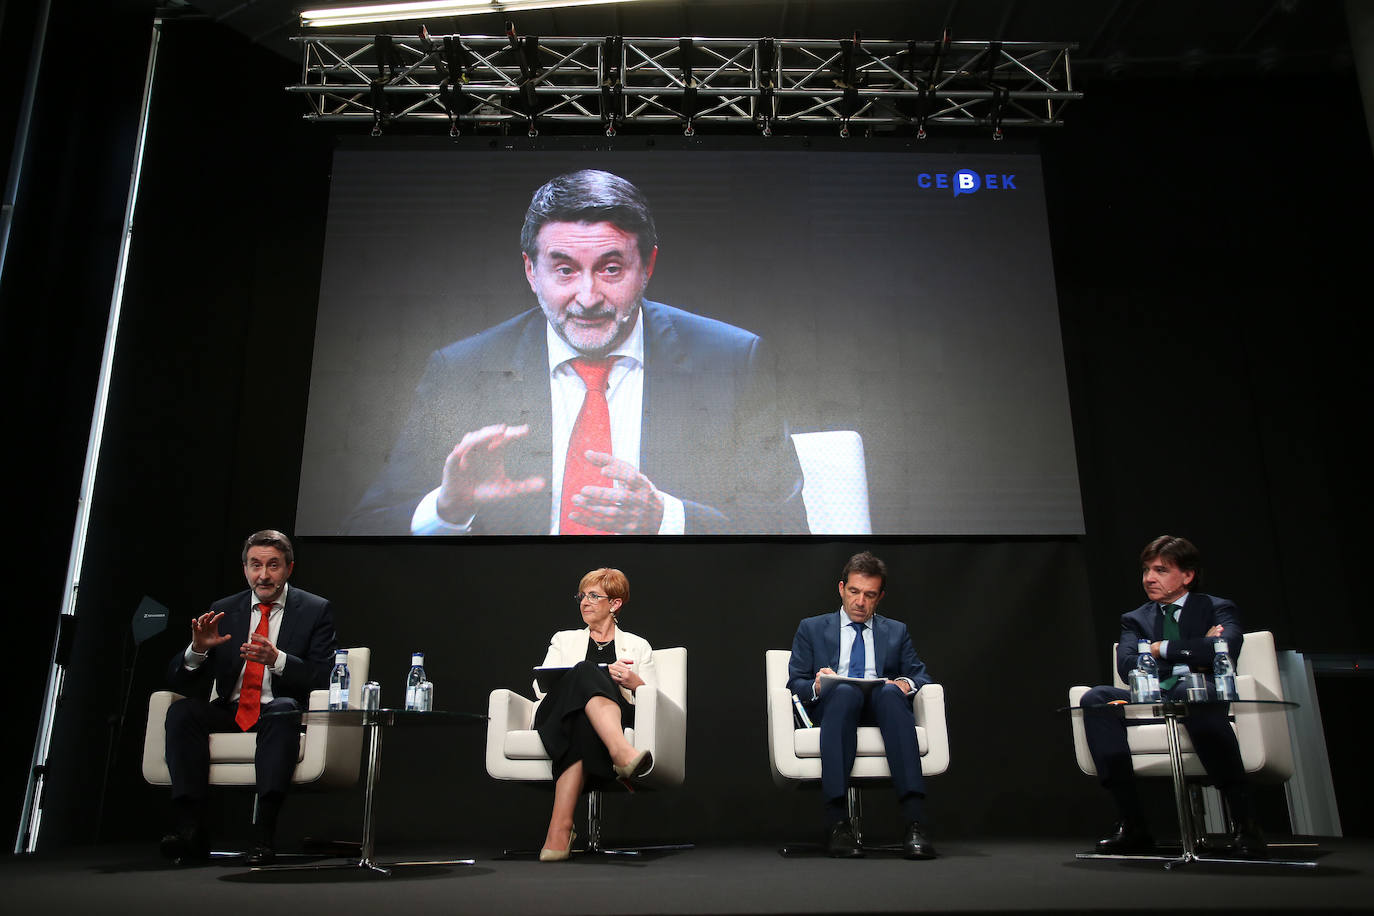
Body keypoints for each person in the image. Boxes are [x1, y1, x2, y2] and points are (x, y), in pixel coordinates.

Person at [344, 168, 805, 536]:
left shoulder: (734, 362)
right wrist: (449, 506)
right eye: (564, 270)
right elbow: (366, 527)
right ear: (531, 270)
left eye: (610, 268)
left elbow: (786, 526)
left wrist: (664, 518)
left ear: (647, 266)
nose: (587, 296)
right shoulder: (461, 370)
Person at [159, 530, 338, 866]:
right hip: (233, 708)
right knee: (182, 712)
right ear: (245, 568)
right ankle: (190, 830)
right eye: (256, 565)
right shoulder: (224, 610)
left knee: (282, 711)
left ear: (289, 568)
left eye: (273, 565)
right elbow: (178, 679)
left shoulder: (315, 610)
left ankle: (263, 834)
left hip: (280, 709)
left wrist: (278, 660)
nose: (264, 575)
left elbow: (324, 676)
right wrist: (197, 651)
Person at [1080, 534, 1266, 858]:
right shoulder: (1135, 619)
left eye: (1160, 570)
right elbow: (1126, 666)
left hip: (1199, 692)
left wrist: (1159, 648)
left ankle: (1245, 822)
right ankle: (1132, 823)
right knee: (1096, 699)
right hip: (1150, 695)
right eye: (1146, 570)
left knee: (1189, 691)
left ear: (1188, 575)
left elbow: (1225, 650)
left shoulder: (1216, 608)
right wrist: (1196, 648)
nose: (1149, 578)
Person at [787, 551, 936, 859]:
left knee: (891, 693)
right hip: (836, 706)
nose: (860, 602)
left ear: (880, 597)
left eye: (869, 595)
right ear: (841, 588)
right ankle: (838, 825)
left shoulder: (896, 631)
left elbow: (919, 673)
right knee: (844, 692)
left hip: (881, 707)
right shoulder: (812, 628)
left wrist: (904, 684)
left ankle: (915, 822)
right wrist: (817, 684)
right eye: (854, 592)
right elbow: (795, 684)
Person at [530, 568, 656, 861]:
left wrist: (633, 682)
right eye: (582, 596)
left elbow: (654, 698)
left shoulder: (638, 645)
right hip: (556, 713)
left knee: (584, 720)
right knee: (585, 670)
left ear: (615, 604)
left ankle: (560, 829)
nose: (584, 602)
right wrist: (580, 679)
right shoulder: (564, 639)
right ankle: (621, 753)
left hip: (604, 717)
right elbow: (540, 687)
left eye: (593, 596)